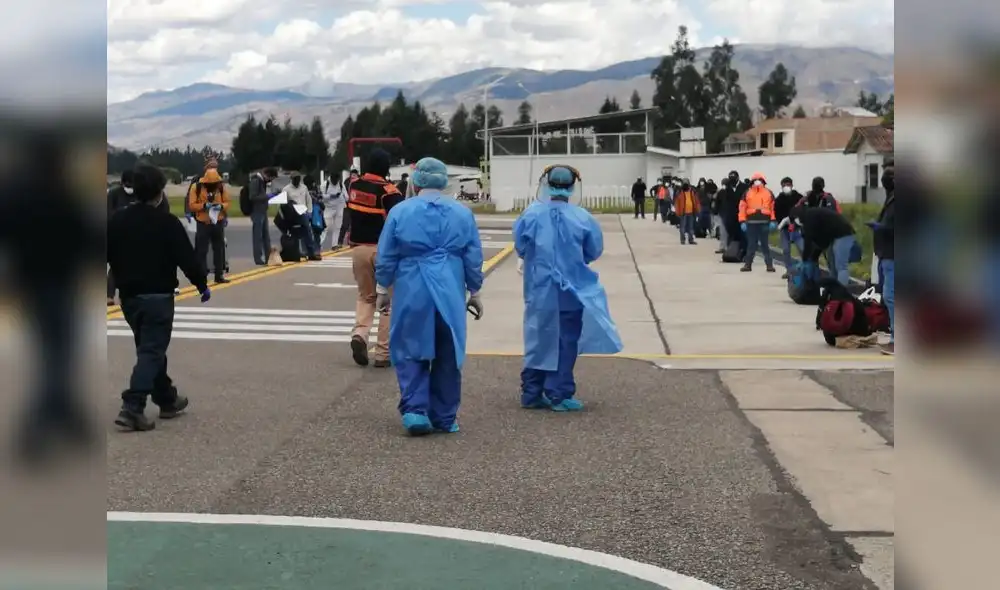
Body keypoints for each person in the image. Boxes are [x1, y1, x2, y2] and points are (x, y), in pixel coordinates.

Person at [374, 157, 484, 435]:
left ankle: (415, 411)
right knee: (448, 350)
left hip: (413, 285)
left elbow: (386, 255)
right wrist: (475, 290)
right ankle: (445, 416)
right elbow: (473, 257)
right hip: (450, 286)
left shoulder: (401, 212)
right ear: (444, 180)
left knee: (411, 347)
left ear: (417, 180)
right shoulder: (462, 213)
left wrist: (382, 288)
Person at [107, 163, 211, 432]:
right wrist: (201, 284)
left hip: (129, 298)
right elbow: (187, 258)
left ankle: (166, 398)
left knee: (149, 349)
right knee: (152, 350)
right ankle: (133, 406)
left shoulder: (116, 220)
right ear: (159, 193)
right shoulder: (167, 223)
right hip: (158, 296)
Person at [514, 165, 623, 412]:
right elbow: (593, 250)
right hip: (571, 289)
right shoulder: (583, 217)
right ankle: (558, 392)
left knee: (538, 336)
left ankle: (531, 391)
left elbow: (520, 246)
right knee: (565, 340)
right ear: (573, 186)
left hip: (539, 288)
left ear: (546, 184)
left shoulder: (530, 214)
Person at [346, 150, 405, 368]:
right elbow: (400, 223)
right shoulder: (390, 192)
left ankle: (360, 334)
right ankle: (383, 353)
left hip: (359, 249)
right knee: (387, 302)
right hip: (383, 252)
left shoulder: (354, 186)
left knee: (365, 297)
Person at [789, 203, 859, 286]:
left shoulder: (809, 218)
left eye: (794, 220)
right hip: (834, 235)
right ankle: (834, 289)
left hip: (844, 234)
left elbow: (808, 241)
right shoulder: (811, 214)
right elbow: (821, 241)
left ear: (797, 216)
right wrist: (814, 255)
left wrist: (805, 259)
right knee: (832, 265)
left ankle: (841, 292)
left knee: (841, 266)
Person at [187, 167, 231, 284]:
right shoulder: (196, 188)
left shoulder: (221, 187)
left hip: (218, 222)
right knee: (201, 251)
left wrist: (221, 207)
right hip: (203, 222)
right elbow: (191, 205)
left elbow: (227, 202)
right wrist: (203, 206)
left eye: (215, 184)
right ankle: (201, 277)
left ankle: (219, 275)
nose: (213, 186)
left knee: (219, 249)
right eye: (210, 184)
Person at [868, 163, 894, 355]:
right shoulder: (892, 199)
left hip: (893, 254)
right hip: (887, 254)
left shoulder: (896, 201)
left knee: (891, 296)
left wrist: (878, 227)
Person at [738, 172, 777, 273]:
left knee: (765, 245)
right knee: (751, 245)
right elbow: (742, 208)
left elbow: (773, 208)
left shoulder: (769, 193)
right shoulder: (747, 193)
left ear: (763, 181)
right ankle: (748, 265)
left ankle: (769, 265)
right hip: (751, 223)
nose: (757, 182)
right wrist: (742, 221)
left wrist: (773, 220)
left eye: (759, 180)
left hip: (765, 222)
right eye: (755, 180)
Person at [106, 169, 134, 305]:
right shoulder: (114, 194)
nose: (130, 188)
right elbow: (108, 213)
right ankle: (109, 295)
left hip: (134, 235)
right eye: (128, 185)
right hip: (117, 234)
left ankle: (126, 295)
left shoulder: (139, 194)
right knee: (116, 265)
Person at [285, 171, 321, 261]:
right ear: (291, 179)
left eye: (298, 179)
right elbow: (283, 203)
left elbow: (308, 200)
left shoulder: (304, 188)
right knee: (294, 233)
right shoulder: (286, 189)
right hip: (292, 213)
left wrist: (309, 212)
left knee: (307, 232)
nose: (297, 181)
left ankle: (311, 253)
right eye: (295, 179)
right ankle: (295, 253)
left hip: (303, 213)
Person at [775, 176, 804, 277]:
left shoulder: (799, 197)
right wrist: (782, 222)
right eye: (784, 185)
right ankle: (789, 270)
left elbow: (803, 211)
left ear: (792, 185)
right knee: (786, 250)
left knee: (802, 248)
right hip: (784, 228)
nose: (786, 187)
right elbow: (777, 213)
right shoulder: (779, 199)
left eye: (788, 185)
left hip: (797, 227)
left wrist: (796, 221)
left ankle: (804, 268)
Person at [248, 167, 277, 265]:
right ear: (266, 174)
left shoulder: (262, 181)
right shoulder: (256, 181)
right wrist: (267, 196)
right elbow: (253, 196)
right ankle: (258, 258)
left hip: (263, 210)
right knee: (258, 236)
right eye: (270, 178)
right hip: (256, 211)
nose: (270, 181)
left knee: (265, 235)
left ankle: (268, 256)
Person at [717, 170, 745, 254]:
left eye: (734, 178)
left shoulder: (744, 187)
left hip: (741, 215)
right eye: (730, 178)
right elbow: (722, 201)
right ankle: (731, 252)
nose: (732, 180)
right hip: (729, 216)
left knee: (742, 235)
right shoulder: (726, 188)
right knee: (730, 234)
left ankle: (742, 252)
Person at [673, 178, 700, 244]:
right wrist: (678, 212)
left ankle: (691, 240)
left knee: (691, 227)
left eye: (687, 183)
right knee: (683, 227)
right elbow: (677, 203)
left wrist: (697, 210)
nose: (686, 185)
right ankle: (682, 240)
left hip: (691, 212)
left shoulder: (692, 191)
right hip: (683, 213)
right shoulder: (679, 192)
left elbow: (696, 201)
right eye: (684, 183)